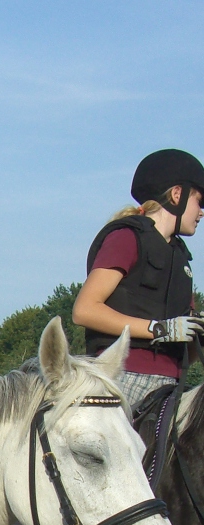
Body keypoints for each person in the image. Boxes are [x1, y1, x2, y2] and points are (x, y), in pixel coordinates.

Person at [73, 148, 204, 407]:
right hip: (121, 376)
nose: (201, 212)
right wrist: (159, 329)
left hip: (172, 385)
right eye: (199, 202)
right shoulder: (126, 238)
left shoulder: (180, 258)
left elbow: (186, 352)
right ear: (177, 195)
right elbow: (84, 311)